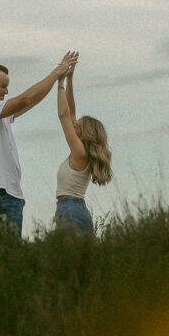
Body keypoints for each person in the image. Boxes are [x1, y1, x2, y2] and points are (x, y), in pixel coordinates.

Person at [0, 52, 78, 236]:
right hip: (1, 194)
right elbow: (25, 99)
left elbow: (31, 101)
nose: (6, 92)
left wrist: (59, 80)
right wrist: (56, 72)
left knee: (9, 253)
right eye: (3, 86)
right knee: (10, 256)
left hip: (9, 195)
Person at [55, 58, 112, 235]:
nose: (74, 124)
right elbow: (70, 112)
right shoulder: (82, 152)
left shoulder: (80, 153)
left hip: (70, 209)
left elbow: (64, 115)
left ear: (84, 133)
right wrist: (70, 80)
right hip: (75, 209)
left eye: (77, 125)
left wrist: (60, 83)